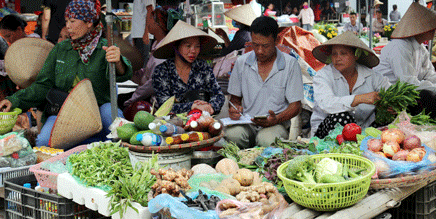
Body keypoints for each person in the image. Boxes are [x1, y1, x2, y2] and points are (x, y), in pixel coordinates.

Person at [0, 0, 133, 147]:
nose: (68, 26)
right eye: (67, 21)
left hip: (97, 114)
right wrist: (14, 100)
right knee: (43, 143)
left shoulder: (105, 48)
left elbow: (123, 73)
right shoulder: (61, 49)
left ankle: (104, 149)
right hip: (64, 112)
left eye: (72, 21)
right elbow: (43, 85)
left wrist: (118, 61)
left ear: (88, 22)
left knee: (111, 115)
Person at [374, 2, 436, 119]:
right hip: (389, 96)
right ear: (421, 28)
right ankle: (432, 128)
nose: (435, 29)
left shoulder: (421, 48)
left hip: (406, 92)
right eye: (431, 26)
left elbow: (429, 73)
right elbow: (407, 83)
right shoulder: (400, 47)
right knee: (426, 95)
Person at [225, 16, 303, 148]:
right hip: (247, 122)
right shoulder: (241, 62)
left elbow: (295, 106)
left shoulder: (290, 64)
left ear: (276, 40)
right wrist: (234, 109)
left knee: (266, 139)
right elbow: (235, 100)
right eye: (255, 45)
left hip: (277, 124)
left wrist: (277, 119)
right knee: (232, 134)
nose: (259, 51)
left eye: (265, 46)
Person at [310, 32, 391, 136]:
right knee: (340, 117)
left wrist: (391, 106)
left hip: (364, 130)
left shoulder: (371, 76)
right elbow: (326, 103)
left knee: (388, 116)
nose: (337, 58)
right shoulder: (323, 76)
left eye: (343, 53)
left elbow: (389, 91)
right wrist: (359, 99)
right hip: (327, 132)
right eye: (334, 54)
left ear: (356, 55)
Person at [152, 21, 225, 115]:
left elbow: (218, 95)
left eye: (197, 46)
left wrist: (210, 107)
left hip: (203, 119)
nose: (193, 51)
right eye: (188, 46)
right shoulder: (162, 71)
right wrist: (192, 106)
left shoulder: (202, 67)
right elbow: (164, 105)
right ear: (176, 46)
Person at [129, 0, 156, 69]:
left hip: (143, 33)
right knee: (139, 61)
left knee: (143, 63)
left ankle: (143, 83)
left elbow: (150, 11)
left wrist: (146, 33)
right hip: (138, 33)